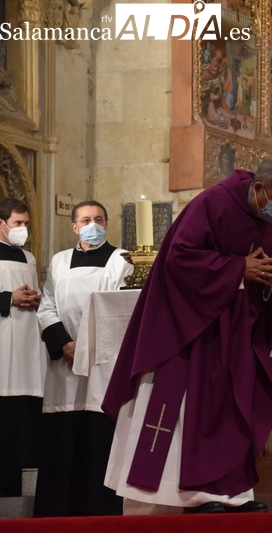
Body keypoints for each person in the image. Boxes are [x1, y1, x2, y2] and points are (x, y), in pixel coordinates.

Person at [102, 160, 272, 515]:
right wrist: (239, 268)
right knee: (187, 408)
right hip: (192, 330)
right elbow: (180, 258)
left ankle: (231, 494)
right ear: (258, 188)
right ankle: (184, 495)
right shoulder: (213, 203)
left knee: (231, 409)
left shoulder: (268, 217)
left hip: (236, 332)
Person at [34, 200, 133, 517]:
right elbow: (46, 306)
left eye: (100, 219)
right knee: (63, 442)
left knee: (96, 439)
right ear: (74, 226)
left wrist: (89, 344)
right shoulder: (60, 261)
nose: (94, 224)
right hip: (65, 366)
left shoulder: (122, 260)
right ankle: (56, 512)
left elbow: (121, 308)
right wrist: (64, 344)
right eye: (87, 219)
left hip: (103, 363)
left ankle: (98, 511)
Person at [0, 198, 45, 498]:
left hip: (29, 348)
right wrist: (8, 299)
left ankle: (25, 496)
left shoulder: (28, 258)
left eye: (26, 224)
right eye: (17, 224)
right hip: (3, 344)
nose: (23, 229)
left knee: (26, 425)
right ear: (1, 225)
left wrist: (34, 299)